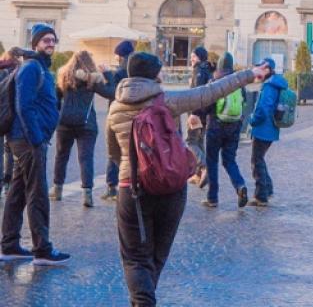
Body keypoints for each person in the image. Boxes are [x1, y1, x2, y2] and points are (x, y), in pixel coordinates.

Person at [106, 51, 267, 307]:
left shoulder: (115, 107)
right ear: (154, 75)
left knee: (135, 258)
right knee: (157, 256)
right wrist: (249, 74)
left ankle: (141, 301)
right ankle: (143, 301)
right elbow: (210, 92)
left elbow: (113, 152)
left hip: (132, 187)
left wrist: (131, 165)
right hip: (170, 187)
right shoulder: (167, 100)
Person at [0, 25, 70, 265]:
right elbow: (24, 105)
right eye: (45, 40)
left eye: (53, 40)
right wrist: (36, 138)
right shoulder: (31, 67)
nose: (50, 44)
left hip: (27, 139)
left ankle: (9, 245)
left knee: (18, 191)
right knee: (37, 193)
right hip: (28, 140)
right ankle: (42, 249)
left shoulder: (38, 67)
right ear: (35, 44)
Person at [49, 50, 113, 208]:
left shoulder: (64, 77)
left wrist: (60, 115)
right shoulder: (92, 79)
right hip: (87, 124)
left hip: (65, 123)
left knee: (61, 156)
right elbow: (111, 93)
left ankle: (57, 190)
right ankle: (87, 195)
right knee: (86, 158)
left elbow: (55, 101)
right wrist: (108, 74)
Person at [202, 52, 248, 209]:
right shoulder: (238, 83)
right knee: (229, 160)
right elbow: (244, 103)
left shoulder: (215, 81)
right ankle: (240, 185)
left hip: (215, 126)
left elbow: (207, 105)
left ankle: (212, 198)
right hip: (234, 127)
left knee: (212, 161)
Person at [248, 57, 287, 207]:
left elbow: (263, 109)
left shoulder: (269, 86)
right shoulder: (275, 84)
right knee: (260, 159)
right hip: (270, 129)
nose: (258, 72)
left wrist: (252, 120)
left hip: (263, 129)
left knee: (256, 161)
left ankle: (261, 196)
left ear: (268, 70)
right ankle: (267, 190)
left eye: (261, 68)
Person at [102, 40, 134, 200]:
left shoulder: (120, 71)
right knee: (130, 151)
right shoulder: (134, 68)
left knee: (114, 149)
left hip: (117, 115)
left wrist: (107, 74)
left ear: (120, 55)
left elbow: (113, 91)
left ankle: (111, 187)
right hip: (133, 115)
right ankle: (129, 184)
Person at [0, 47, 28, 200]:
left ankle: (3, 183)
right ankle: (8, 182)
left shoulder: (2, 69)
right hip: (14, 116)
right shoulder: (21, 71)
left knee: (2, 151)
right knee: (10, 150)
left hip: (1, 115)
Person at [187, 45, 214, 187]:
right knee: (199, 142)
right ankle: (198, 174)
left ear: (200, 57)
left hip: (197, 113)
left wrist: (193, 113)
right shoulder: (208, 70)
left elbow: (196, 94)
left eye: (194, 56)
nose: (191, 59)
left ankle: (204, 167)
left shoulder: (198, 71)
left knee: (191, 141)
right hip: (205, 113)